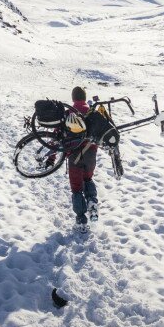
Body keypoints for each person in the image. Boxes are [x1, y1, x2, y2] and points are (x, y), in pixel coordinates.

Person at [66, 86, 99, 231]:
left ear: (73, 98)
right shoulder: (93, 112)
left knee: (77, 188)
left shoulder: (69, 113)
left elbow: (57, 136)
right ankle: (92, 201)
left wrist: (52, 157)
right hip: (91, 154)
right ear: (85, 98)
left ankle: (81, 221)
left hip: (74, 156)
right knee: (88, 179)